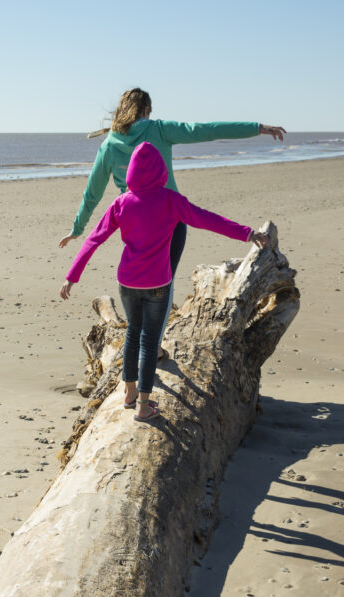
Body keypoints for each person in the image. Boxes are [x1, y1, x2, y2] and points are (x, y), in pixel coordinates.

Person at [58, 87, 285, 350]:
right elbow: (206, 130)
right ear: (145, 110)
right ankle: (151, 345)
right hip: (170, 218)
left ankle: (140, 343)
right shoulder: (160, 129)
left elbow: (92, 192)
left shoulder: (110, 144)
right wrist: (257, 128)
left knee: (138, 280)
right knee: (163, 283)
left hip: (133, 222)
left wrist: (77, 228)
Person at [59, 142, 269, 422]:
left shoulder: (121, 202)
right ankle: (144, 406)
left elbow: (94, 239)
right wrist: (247, 234)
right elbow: (208, 220)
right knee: (148, 341)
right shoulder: (171, 200)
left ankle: (130, 393)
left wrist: (72, 276)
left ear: (131, 171)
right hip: (157, 284)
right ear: (160, 170)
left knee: (133, 334)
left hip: (127, 282)